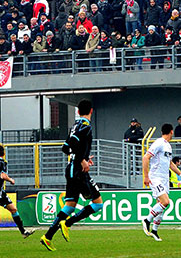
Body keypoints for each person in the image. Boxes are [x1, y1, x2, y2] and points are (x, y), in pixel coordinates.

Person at [40, 99, 103, 251]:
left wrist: (83, 159)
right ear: (91, 111)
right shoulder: (85, 126)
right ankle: (67, 223)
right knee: (97, 203)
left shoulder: (75, 125)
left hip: (70, 169)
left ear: (78, 111)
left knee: (70, 205)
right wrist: (82, 161)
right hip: (78, 172)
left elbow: (69, 147)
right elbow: (69, 146)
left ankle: (47, 236)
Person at [142, 123, 181, 242]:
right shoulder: (159, 143)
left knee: (161, 206)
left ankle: (155, 231)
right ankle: (147, 220)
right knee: (165, 201)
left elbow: (170, 164)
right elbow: (145, 157)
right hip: (155, 177)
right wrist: (146, 177)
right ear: (171, 132)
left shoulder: (168, 146)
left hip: (164, 179)